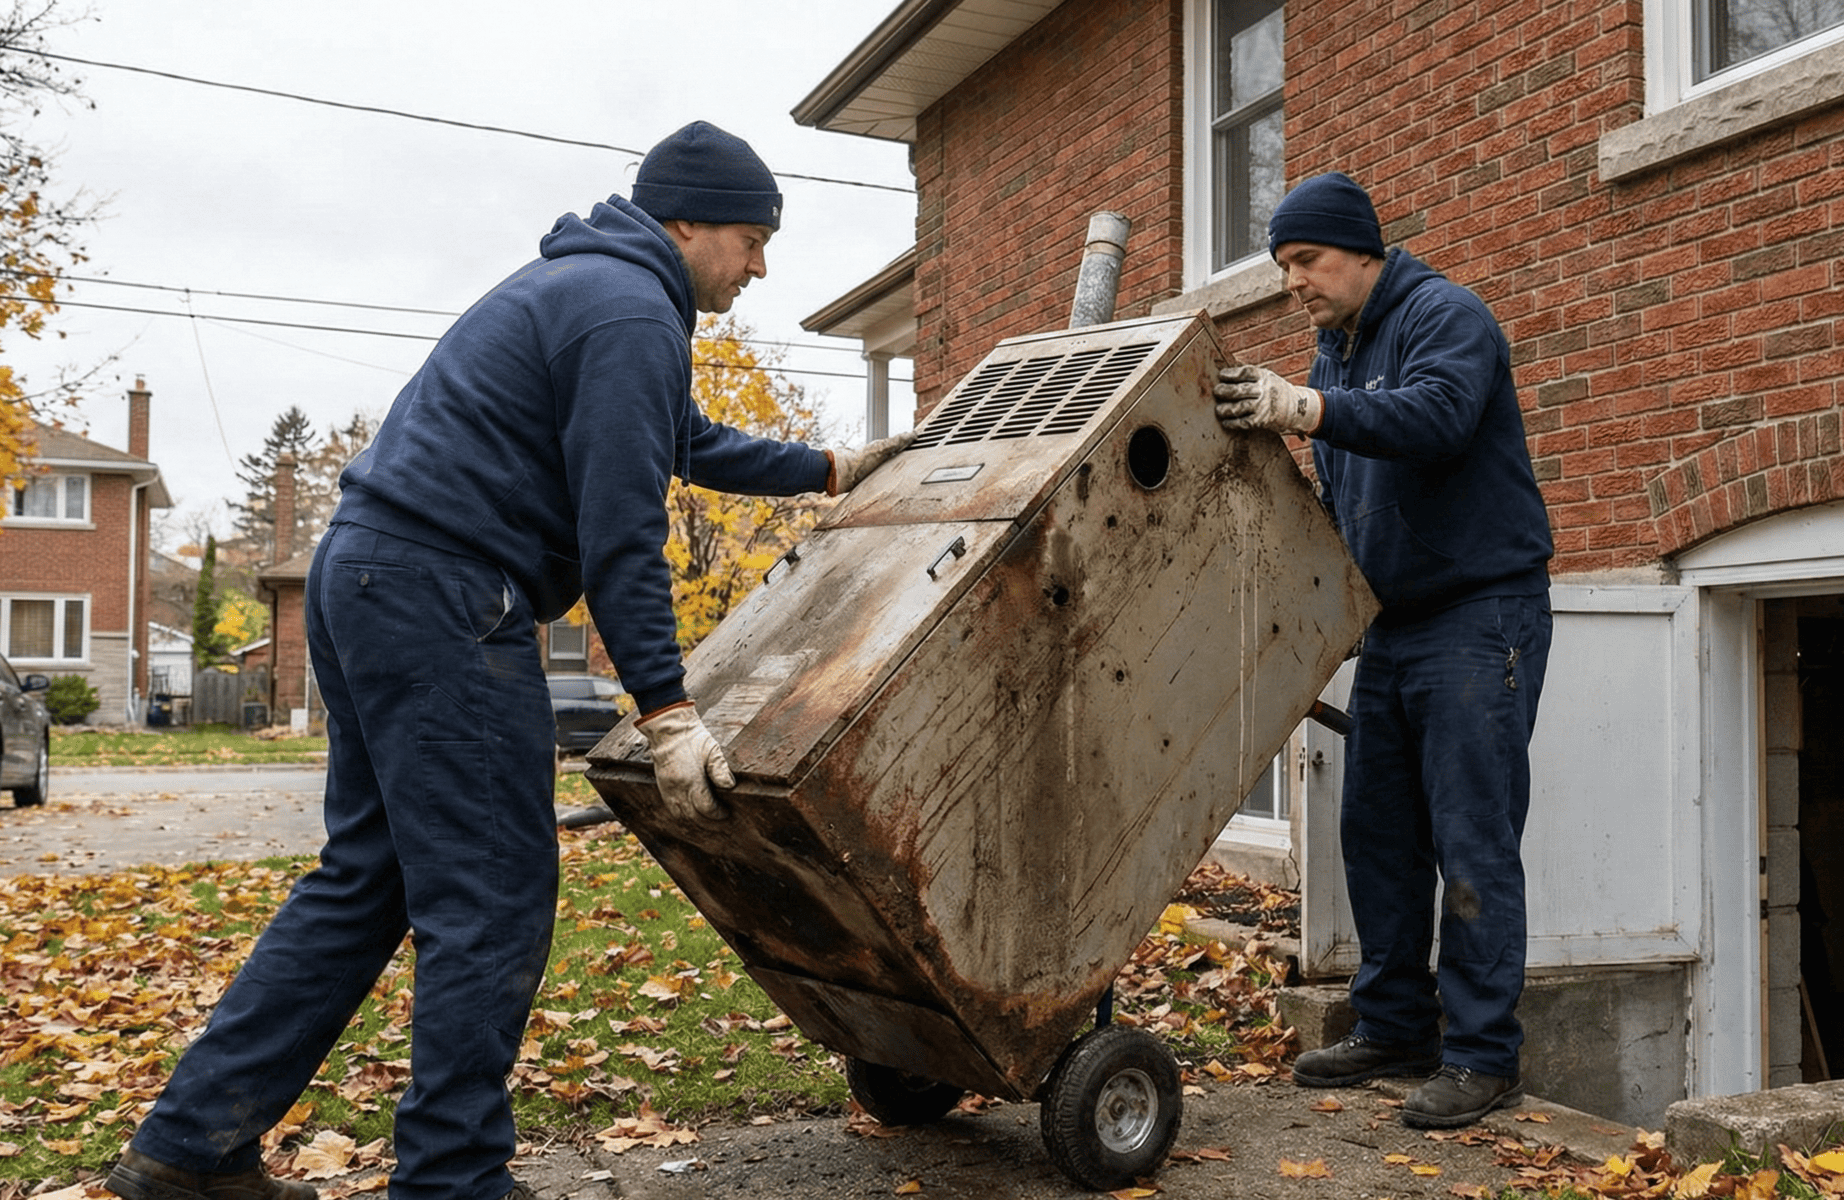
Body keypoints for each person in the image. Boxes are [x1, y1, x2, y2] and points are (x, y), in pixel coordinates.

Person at [105, 121, 913, 1200]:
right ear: (686, 222)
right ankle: (450, 1181)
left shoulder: (591, 291)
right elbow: (623, 533)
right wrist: (668, 712)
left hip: (370, 577)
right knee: (489, 894)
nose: (759, 264)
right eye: (751, 238)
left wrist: (827, 466)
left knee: (367, 881)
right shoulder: (630, 311)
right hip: (442, 596)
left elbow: (679, 440)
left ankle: (188, 1149)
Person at [1214, 172, 1554, 1129]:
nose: (1295, 283)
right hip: (1393, 626)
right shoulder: (1334, 349)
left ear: (1363, 250)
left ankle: (1485, 1057)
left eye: (1307, 261)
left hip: (1481, 615)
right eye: (1284, 268)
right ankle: (1396, 1025)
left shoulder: (1447, 314)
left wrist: (1307, 411)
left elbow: (1438, 416)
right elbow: (1342, 498)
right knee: (1378, 833)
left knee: (1471, 838)